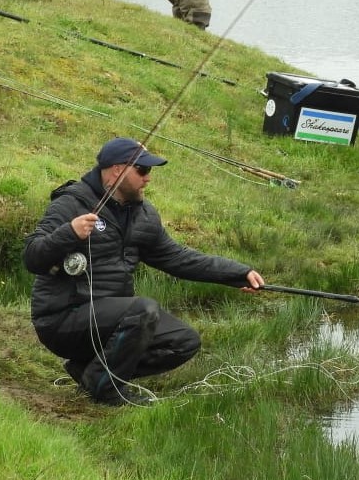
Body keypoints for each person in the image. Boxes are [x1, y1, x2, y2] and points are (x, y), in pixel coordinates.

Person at [23, 137, 264, 406]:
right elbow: (32, 257)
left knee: (184, 342)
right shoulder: (70, 204)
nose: (148, 178)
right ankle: (105, 389)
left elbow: (178, 258)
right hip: (61, 319)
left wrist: (238, 274)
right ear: (117, 170)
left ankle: (92, 372)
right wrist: (69, 233)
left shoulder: (144, 215)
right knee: (143, 310)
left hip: (114, 320)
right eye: (143, 170)